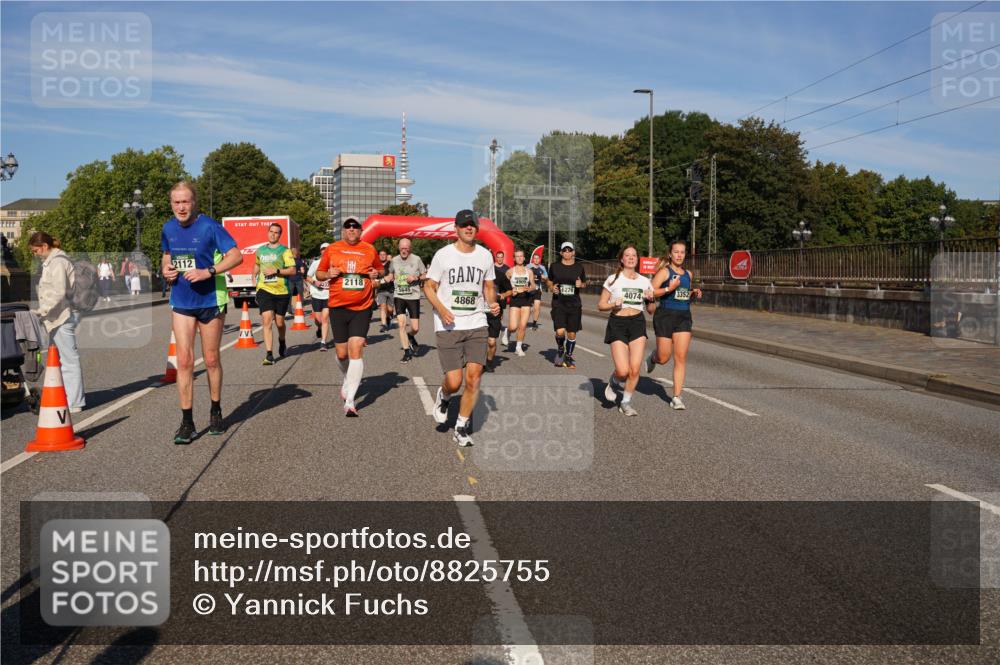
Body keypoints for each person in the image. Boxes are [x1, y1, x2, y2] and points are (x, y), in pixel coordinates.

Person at [160, 181, 242, 444]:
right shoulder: (168, 228)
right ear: (171, 204)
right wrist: (166, 269)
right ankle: (187, 422)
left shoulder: (210, 227)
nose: (181, 207)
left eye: (185, 201)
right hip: (182, 300)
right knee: (184, 361)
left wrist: (209, 271)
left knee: (211, 359)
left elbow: (236, 256)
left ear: (194, 202)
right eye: (176, 202)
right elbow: (167, 254)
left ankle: (215, 410)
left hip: (210, 300)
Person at [424, 210, 500, 447]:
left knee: (474, 378)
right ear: (456, 228)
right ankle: (445, 395)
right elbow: (429, 286)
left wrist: (492, 302)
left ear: (477, 229)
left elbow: (489, 286)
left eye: (472, 225)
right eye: (464, 225)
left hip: (477, 322)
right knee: (454, 381)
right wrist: (441, 309)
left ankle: (461, 426)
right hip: (449, 324)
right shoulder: (443, 255)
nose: (469, 228)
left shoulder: (485, 256)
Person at [316, 216, 383, 417]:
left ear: (361, 231)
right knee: (342, 354)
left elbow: (380, 269)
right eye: (348, 227)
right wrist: (328, 274)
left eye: (355, 227)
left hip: (362, 307)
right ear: (343, 231)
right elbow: (319, 273)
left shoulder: (369, 249)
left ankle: (351, 401)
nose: (352, 229)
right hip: (338, 307)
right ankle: (347, 377)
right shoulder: (332, 249)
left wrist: (376, 274)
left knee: (356, 347)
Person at [29, 232, 86, 412]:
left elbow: (60, 292)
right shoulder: (53, 261)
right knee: (59, 360)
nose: (34, 254)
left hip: (62, 316)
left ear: (44, 246)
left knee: (68, 360)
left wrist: (43, 311)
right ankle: (66, 397)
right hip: (57, 316)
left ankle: (74, 402)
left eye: (35, 250)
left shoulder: (58, 262)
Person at [645, 240, 702, 410]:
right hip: (665, 316)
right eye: (676, 252)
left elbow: (683, 295)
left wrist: (693, 294)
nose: (679, 255)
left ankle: (676, 397)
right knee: (664, 358)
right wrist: (669, 288)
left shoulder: (688, 274)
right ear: (670, 254)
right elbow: (649, 292)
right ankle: (653, 357)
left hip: (683, 316)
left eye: (682, 252)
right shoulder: (664, 272)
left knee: (681, 357)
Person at [598, 246, 655, 416]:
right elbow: (601, 305)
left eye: (634, 255)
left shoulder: (645, 281)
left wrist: (651, 299)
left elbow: (651, 310)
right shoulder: (613, 279)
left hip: (637, 322)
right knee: (623, 371)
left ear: (637, 259)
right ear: (621, 259)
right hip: (618, 323)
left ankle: (626, 402)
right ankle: (614, 381)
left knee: (635, 369)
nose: (631, 258)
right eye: (627, 255)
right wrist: (613, 304)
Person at [253, 223, 296, 366]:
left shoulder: (285, 251)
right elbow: (257, 264)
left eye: (276, 232)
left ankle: (282, 341)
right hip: (264, 289)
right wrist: (253, 275)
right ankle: (269, 354)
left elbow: (292, 270)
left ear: (280, 235)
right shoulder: (260, 250)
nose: (273, 234)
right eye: (271, 231)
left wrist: (276, 271)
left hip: (281, 290)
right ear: (268, 232)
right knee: (267, 319)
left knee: (279, 322)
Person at [545, 241, 587, 369]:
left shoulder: (579, 267)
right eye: (565, 250)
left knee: (572, 333)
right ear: (561, 253)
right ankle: (560, 349)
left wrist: (581, 285)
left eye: (570, 250)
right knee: (559, 331)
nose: (567, 253)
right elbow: (549, 281)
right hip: (559, 303)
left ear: (573, 252)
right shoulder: (554, 266)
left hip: (574, 304)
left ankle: (568, 357)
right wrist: (551, 287)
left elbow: (584, 283)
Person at [385, 238, 427, 363]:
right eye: (402, 248)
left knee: (415, 328)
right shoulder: (394, 260)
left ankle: (410, 335)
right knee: (402, 324)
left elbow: (425, 274)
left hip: (413, 296)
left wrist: (416, 277)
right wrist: (385, 278)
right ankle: (407, 352)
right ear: (399, 248)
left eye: (406, 249)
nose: (404, 251)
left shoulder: (416, 259)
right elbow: (391, 274)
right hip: (399, 295)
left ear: (410, 249)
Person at [505, 249, 536, 357]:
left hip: (526, 299)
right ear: (514, 258)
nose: (519, 258)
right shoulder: (510, 271)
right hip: (515, 300)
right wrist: (510, 291)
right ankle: (508, 331)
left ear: (524, 258)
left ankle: (518, 348)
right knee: (513, 327)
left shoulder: (529, 271)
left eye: (521, 256)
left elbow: (533, 285)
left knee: (522, 326)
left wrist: (530, 288)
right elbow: (505, 286)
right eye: (517, 256)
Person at [485, 257, 512, 372]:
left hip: (494, 312)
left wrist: (503, 295)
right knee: (476, 340)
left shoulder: (500, 275)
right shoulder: (477, 274)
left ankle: (489, 362)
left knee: (491, 342)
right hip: (478, 312)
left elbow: (510, 290)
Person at [306, 242, 332, 350]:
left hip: (328, 295)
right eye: (323, 249)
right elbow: (308, 277)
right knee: (318, 320)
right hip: (316, 294)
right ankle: (319, 328)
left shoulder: (334, 263)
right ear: (320, 251)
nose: (325, 251)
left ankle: (323, 342)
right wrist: (315, 282)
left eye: (327, 249)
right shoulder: (316, 263)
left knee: (325, 319)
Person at [375, 249, 395, 332]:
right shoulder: (376, 265)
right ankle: (384, 325)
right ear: (378, 256)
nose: (382, 256)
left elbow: (393, 274)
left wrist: (392, 277)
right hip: (381, 290)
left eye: (384, 254)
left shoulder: (391, 264)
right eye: (381, 254)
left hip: (391, 289)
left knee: (390, 309)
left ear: (386, 256)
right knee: (382, 306)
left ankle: (389, 316)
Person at [493, 251, 510, 347]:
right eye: (498, 257)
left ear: (503, 258)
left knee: (501, 311)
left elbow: (509, 280)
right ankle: (495, 326)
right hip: (493, 292)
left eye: (501, 257)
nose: (499, 259)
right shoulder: (492, 267)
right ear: (496, 258)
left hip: (503, 292)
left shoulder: (506, 268)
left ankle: (498, 325)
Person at [285, 247, 308, 316]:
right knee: (300, 295)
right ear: (296, 253)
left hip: (290, 279)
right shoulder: (299, 260)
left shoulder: (288, 261)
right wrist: (299, 273)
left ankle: (289, 311)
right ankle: (301, 309)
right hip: (298, 279)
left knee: (289, 295)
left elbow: (286, 270)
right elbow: (302, 271)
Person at [528, 251, 547, 329]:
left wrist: (543, 277)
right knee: (527, 308)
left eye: (537, 258)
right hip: (529, 289)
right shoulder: (528, 266)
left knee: (537, 307)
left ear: (539, 259)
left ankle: (534, 323)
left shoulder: (542, 268)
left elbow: (546, 278)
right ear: (533, 259)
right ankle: (523, 321)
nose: (536, 260)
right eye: (535, 258)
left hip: (537, 289)